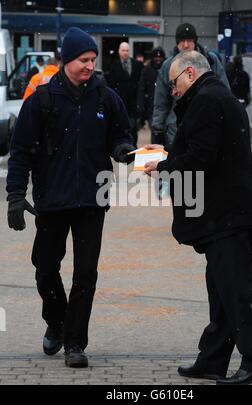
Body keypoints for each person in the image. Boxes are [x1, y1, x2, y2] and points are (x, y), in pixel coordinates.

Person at [144, 51, 252, 385]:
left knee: (235, 291)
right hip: (228, 214)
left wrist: (163, 167)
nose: (172, 91)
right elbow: (205, 151)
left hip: (226, 216)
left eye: (174, 83)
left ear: (190, 73)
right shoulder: (217, 96)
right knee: (221, 290)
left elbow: (201, 156)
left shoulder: (207, 101)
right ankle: (213, 359)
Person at [6, 27, 135, 368]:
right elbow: (21, 152)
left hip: (93, 200)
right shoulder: (42, 100)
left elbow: (123, 133)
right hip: (52, 200)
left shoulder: (106, 97)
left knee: (85, 274)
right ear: (66, 60)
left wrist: (123, 149)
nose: (89, 66)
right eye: (83, 60)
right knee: (45, 268)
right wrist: (15, 196)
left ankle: (75, 343)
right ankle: (57, 321)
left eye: (92, 59)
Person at [152, 23, 229, 146]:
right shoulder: (168, 66)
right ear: (177, 43)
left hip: (207, 123)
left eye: (189, 40)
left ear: (195, 41)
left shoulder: (211, 61)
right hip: (176, 128)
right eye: (182, 41)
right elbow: (161, 102)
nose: (186, 45)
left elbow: (225, 93)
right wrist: (158, 129)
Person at [106, 42, 144, 147]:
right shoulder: (114, 66)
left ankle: (133, 148)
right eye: (123, 50)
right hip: (120, 102)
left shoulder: (137, 65)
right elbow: (111, 86)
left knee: (133, 128)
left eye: (127, 50)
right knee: (122, 128)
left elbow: (140, 84)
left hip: (133, 103)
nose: (125, 53)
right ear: (119, 51)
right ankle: (124, 148)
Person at [137, 47, 166, 137]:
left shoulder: (167, 68)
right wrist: (141, 106)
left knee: (165, 134)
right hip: (151, 107)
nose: (158, 59)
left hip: (165, 106)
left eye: (160, 57)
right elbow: (141, 89)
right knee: (155, 132)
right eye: (156, 57)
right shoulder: (147, 70)